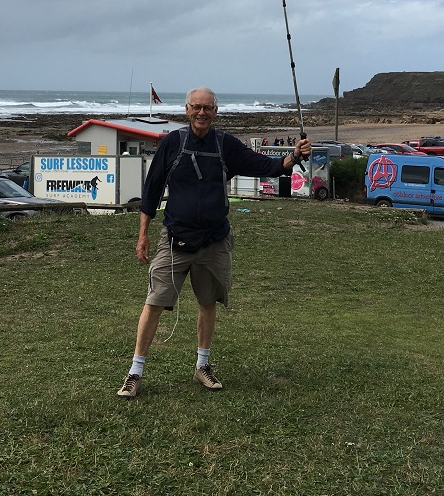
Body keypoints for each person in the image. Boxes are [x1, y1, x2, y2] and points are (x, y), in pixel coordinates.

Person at [117, 87, 312, 399]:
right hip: (175, 240)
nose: (201, 113)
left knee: (208, 302)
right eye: (196, 107)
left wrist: (294, 156)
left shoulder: (225, 145)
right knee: (154, 303)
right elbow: (151, 190)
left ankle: (202, 366)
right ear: (187, 110)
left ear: (215, 112)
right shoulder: (172, 143)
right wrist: (143, 235)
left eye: (207, 108)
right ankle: (135, 372)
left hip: (214, 242)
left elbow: (265, 166)